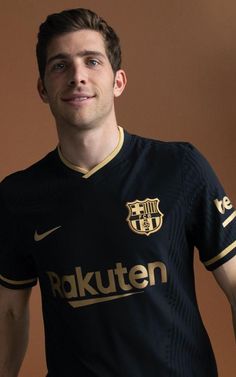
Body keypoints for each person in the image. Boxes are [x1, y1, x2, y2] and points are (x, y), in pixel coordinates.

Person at [0, 7, 235, 377]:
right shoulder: (19, 196)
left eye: (92, 61)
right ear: (43, 88)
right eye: (60, 65)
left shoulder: (179, 168)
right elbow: (10, 311)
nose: (77, 76)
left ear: (118, 81)